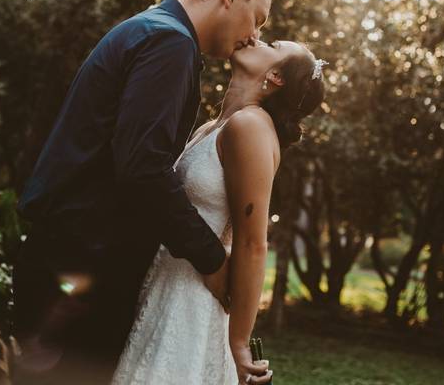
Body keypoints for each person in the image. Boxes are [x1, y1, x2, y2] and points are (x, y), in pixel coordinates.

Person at [12, 0, 273, 384]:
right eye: (258, 18)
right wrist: (212, 260)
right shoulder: (171, 44)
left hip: (68, 253)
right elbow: (143, 167)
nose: (254, 35)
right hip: (83, 264)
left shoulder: (152, 28)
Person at [111, 38, 327, 385]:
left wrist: (239, 342)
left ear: (276, 77)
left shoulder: (251, 127)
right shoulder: (213, 127)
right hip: (164, 286)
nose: (255, 38)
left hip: (193, 303)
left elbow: (253, 243)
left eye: (272, 43)